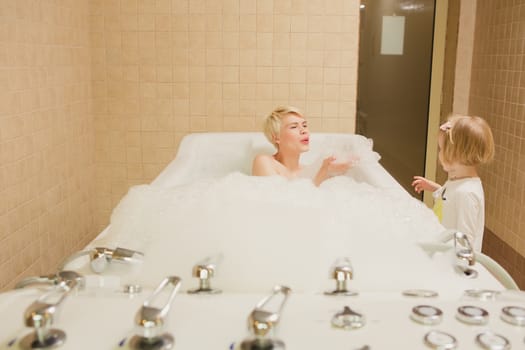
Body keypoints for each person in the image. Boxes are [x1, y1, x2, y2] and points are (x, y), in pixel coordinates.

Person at [411, 115, 495, 252]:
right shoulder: (459, 181)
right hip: (444, 249)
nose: (439, 154)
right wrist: (434, 188)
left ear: (457, 154)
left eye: (442, 149)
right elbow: (450, 197)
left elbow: (465, 241)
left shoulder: (466, 194)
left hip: (454, 261)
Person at [252, 106, 353, 186]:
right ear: (276, 137)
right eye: (294, 127)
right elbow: (278, 204)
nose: (304, 130)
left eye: (304, 125)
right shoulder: (264, 161)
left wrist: (337, 171)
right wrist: (324, 171)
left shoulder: (308, 171)